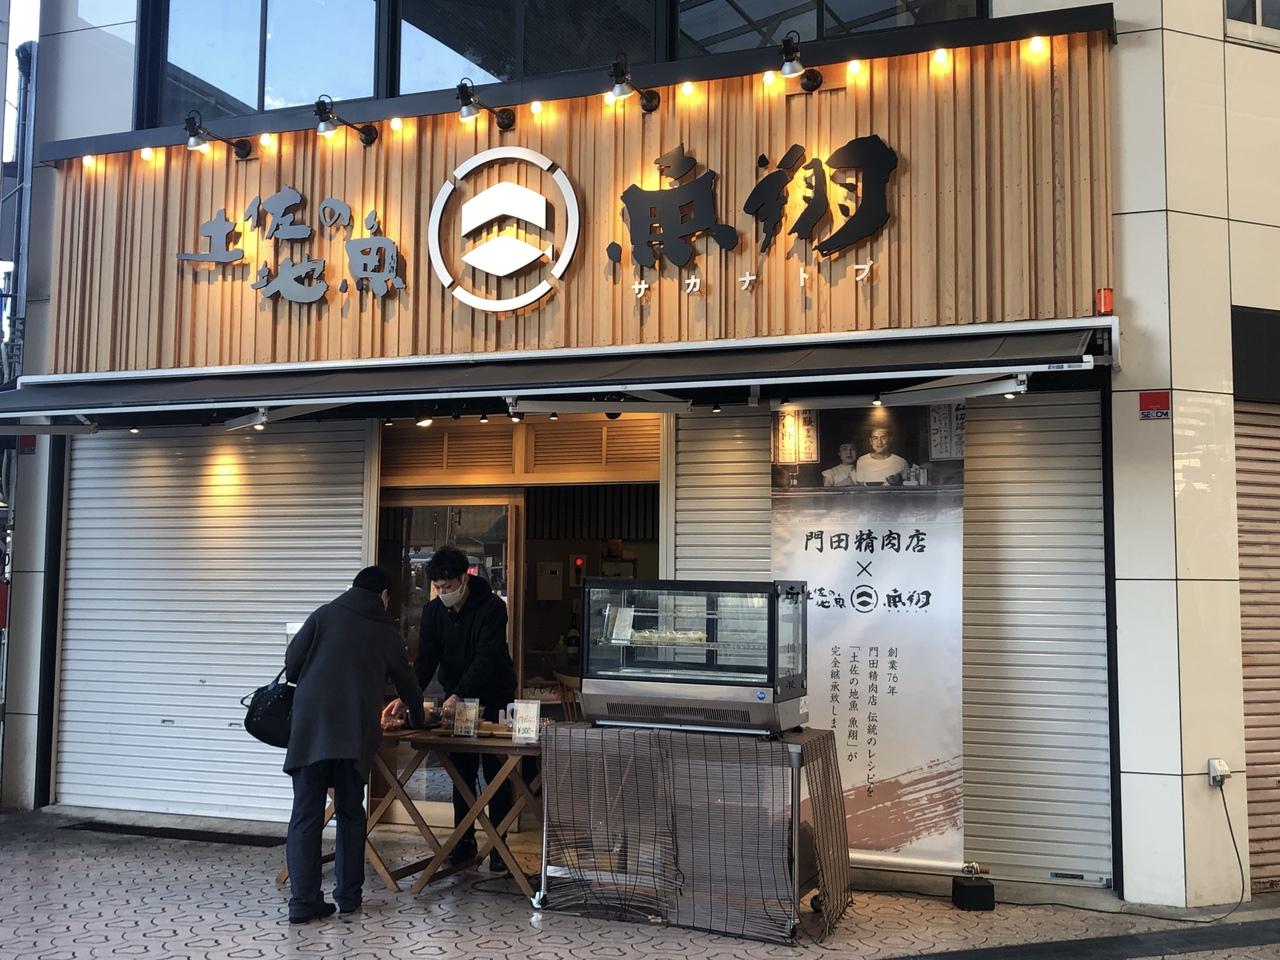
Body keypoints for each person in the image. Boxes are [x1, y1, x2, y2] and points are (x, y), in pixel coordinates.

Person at [283, 566, 424, 924]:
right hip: (353, 733)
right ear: (384, 595)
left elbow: (292, 665)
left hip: (311, 729)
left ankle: (303, 902)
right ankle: (348, 896)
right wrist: (419, 718)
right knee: (350, 812)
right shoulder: (385, 629)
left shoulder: (323, 614)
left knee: (306, 814)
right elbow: (407, 681)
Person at [383, 545, 517, 873]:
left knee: (496, 770)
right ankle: (463, 840)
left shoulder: (492, 608)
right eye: (438, 587)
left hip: (493, 693)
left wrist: (460, 693)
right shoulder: (433, 612)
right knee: (460, 770)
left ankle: (499, 845)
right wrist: (407, 696)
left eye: (448, 586)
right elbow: (426, 659)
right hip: (455, 695)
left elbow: (488, 656)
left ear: (464, 579)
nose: (443, 593)